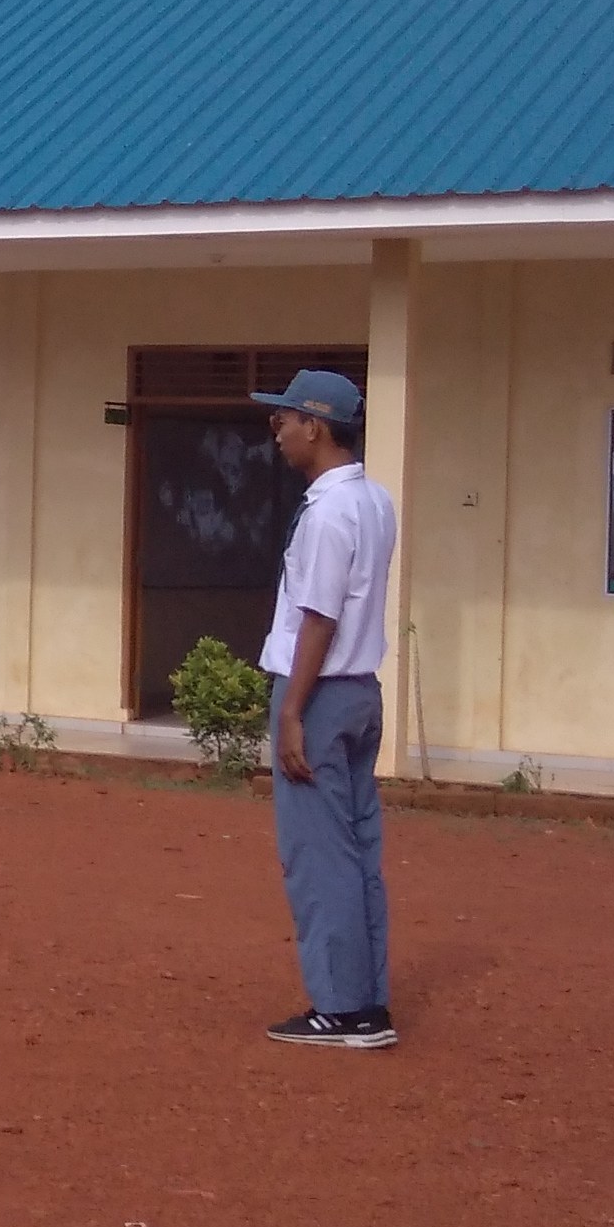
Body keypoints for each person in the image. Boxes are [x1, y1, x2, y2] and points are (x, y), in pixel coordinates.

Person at [256, 368, 401, 1050]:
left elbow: (317, 618)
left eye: (285, 418)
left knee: (319, 855)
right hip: (360, 691)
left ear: (316, 425)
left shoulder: (328, 512)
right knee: (358, 848)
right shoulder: (375, 502)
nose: (277, 430)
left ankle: (340, 1010)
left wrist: (292, 713)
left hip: (317, 690)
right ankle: (367, 1001)